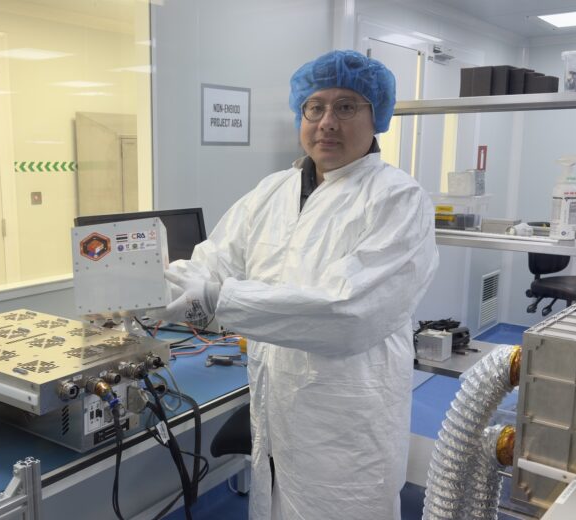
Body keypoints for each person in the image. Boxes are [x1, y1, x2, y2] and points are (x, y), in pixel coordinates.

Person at [149, 50, 439, 519]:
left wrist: (217, 301)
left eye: (346, 107)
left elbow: (347, 313)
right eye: (315, 107)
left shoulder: (398, 199)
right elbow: (213, 262)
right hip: (275, 403)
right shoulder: (272, 191)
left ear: (378, 117)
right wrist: (142, 290)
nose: (327, 122)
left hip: (346, 423)